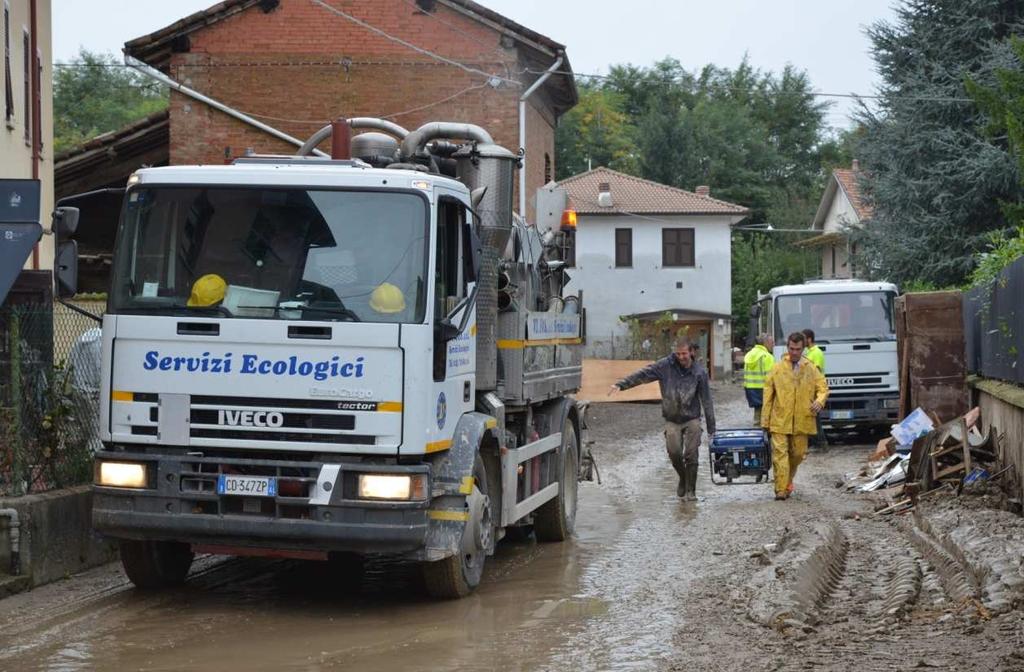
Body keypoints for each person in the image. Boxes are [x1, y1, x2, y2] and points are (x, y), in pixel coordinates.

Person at [608, 337, 716, 501]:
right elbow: (643, 374)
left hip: (692, 418)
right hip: (672, 418)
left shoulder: (699, 372)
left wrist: (711, 430)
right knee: (674, 452)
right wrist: (621, 384)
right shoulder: (665, 366)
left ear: (691, 352)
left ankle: (691, 491)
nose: (681, 357)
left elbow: (707, 402)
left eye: (684, 353)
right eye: (678, 353)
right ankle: (683, 478)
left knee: (691, 453)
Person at [761, 331, 829, 501]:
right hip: (779, 420)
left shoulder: (811, 368)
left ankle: (787, 480)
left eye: (798, 349)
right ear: (787, 347)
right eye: (791, 348)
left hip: (802, 420)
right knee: (780, 454)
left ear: (803, 348)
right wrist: (765, 421)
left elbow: (823, 387)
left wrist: (820, 401)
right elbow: (768, 396)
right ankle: (780, 490)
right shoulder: (777, 369)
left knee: (798, 454)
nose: (794, 352)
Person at [802, 328, 829, 451]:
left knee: (815, 418)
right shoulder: (809, 352)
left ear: (809, 339)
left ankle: (821, 444)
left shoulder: (816, 352)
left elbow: (815, 372)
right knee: (811, 417)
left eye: (803, 338)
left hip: (815, 390)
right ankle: (816, 443)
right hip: (809, 389)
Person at [743, 334, 776, 425]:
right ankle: (764, 433)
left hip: (750, 388)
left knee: (758, 411)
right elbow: (771, 377)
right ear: (765, 343)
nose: (773, 344)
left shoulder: (749, 355)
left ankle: (757, 429)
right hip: (764, 389)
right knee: (767, 414)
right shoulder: (767, 357)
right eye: (772, 342)